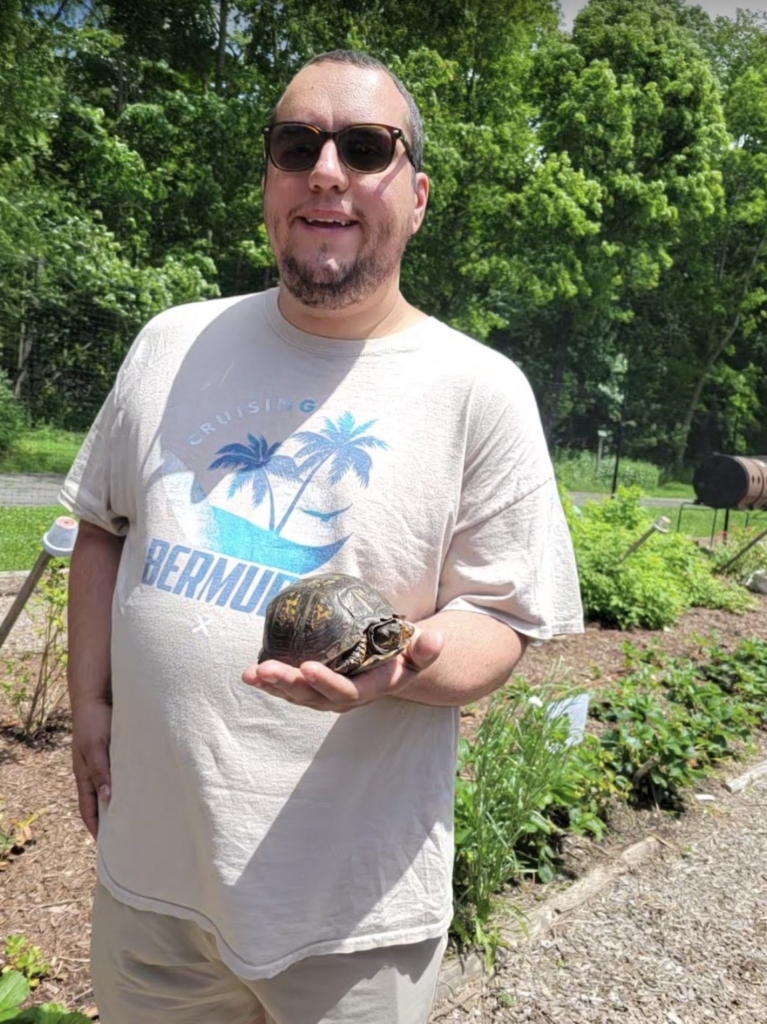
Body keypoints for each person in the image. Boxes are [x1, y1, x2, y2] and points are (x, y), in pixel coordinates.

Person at [62, 49, 583, 1024]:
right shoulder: (171, 343)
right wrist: (86, 699)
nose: (326, 169)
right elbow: (101, 524)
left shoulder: (478, 390)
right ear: (269, 182)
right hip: (151, 889)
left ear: (416, 194)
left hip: (352, 922)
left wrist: (408, 661)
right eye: (296, 144)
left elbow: (505, 619)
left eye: (365, 146)